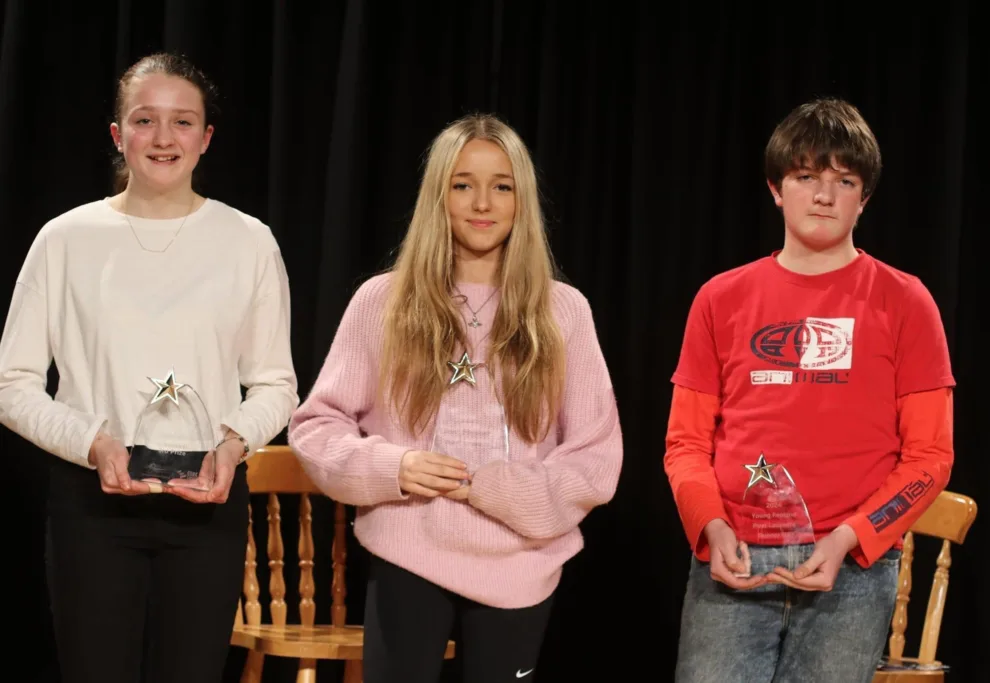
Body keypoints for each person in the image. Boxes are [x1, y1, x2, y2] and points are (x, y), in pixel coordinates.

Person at [288, 113, 623, 683]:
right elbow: (316, 426)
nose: (482, 202)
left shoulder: (564, 310)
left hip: (519, 563)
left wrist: (494, 488)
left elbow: (595, 459)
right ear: (437, 194)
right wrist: (395, 466)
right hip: (407, 549)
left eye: (502, 185)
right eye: (462, 184)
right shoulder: (382, 300)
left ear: (522, 199)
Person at [0, 53, 298, 683]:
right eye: (144, 120)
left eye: (183, 121)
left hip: (208, 503)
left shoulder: (249, 241)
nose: (164, 138)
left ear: (206, 138)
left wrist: (233, 443)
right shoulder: (65, 239)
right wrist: (92, 443)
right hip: (92, 510)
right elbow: (13, 384)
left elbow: (275, 382)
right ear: (117, 134)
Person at [664, 97, 955, 683]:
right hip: (734, 561)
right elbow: (685, 444)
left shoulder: (906, 302)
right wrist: (711, 526)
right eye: (805, 177)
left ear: (864, 197)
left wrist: (853, 537)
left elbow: (930, 457)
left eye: (843, 180)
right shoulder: (721, 298)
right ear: (776, 187)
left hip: (852, 570)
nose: (823, 195)